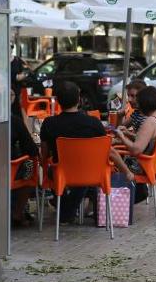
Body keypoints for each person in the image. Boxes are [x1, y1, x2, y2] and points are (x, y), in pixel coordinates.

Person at [40, 81, 133, 223]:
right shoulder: (93, 123)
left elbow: (44, 155)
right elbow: (110, 152)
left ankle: (65, 209)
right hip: (91, 173)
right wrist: (126, 171)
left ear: (58, 101)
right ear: (79, 99)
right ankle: (67, 210)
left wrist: (43, 166)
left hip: (61, 172)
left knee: (53, 172)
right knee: (85, 175)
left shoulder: (48, 123)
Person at [113, 86, 156, 202]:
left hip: (140, 166)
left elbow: (135, 150)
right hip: (153, 164)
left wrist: (122, 137)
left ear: (145, 103)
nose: (137, 105)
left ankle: (110, 203)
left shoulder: (150, 122)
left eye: (139, 103)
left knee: (108, 164)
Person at [10, 89, 39, 227]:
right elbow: (32, 150)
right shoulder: (13, 121)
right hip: (10, 169)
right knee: (30, 166)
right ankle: (18, 211)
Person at [10, 44, 29, 117]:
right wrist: (15, 77)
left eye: (12, 47)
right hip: (4, 91)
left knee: (16, 112)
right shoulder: (1, 60)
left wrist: (22, 76)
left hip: (16, 91)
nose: (10, 48)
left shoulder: (18, 60)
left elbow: (27, 70)